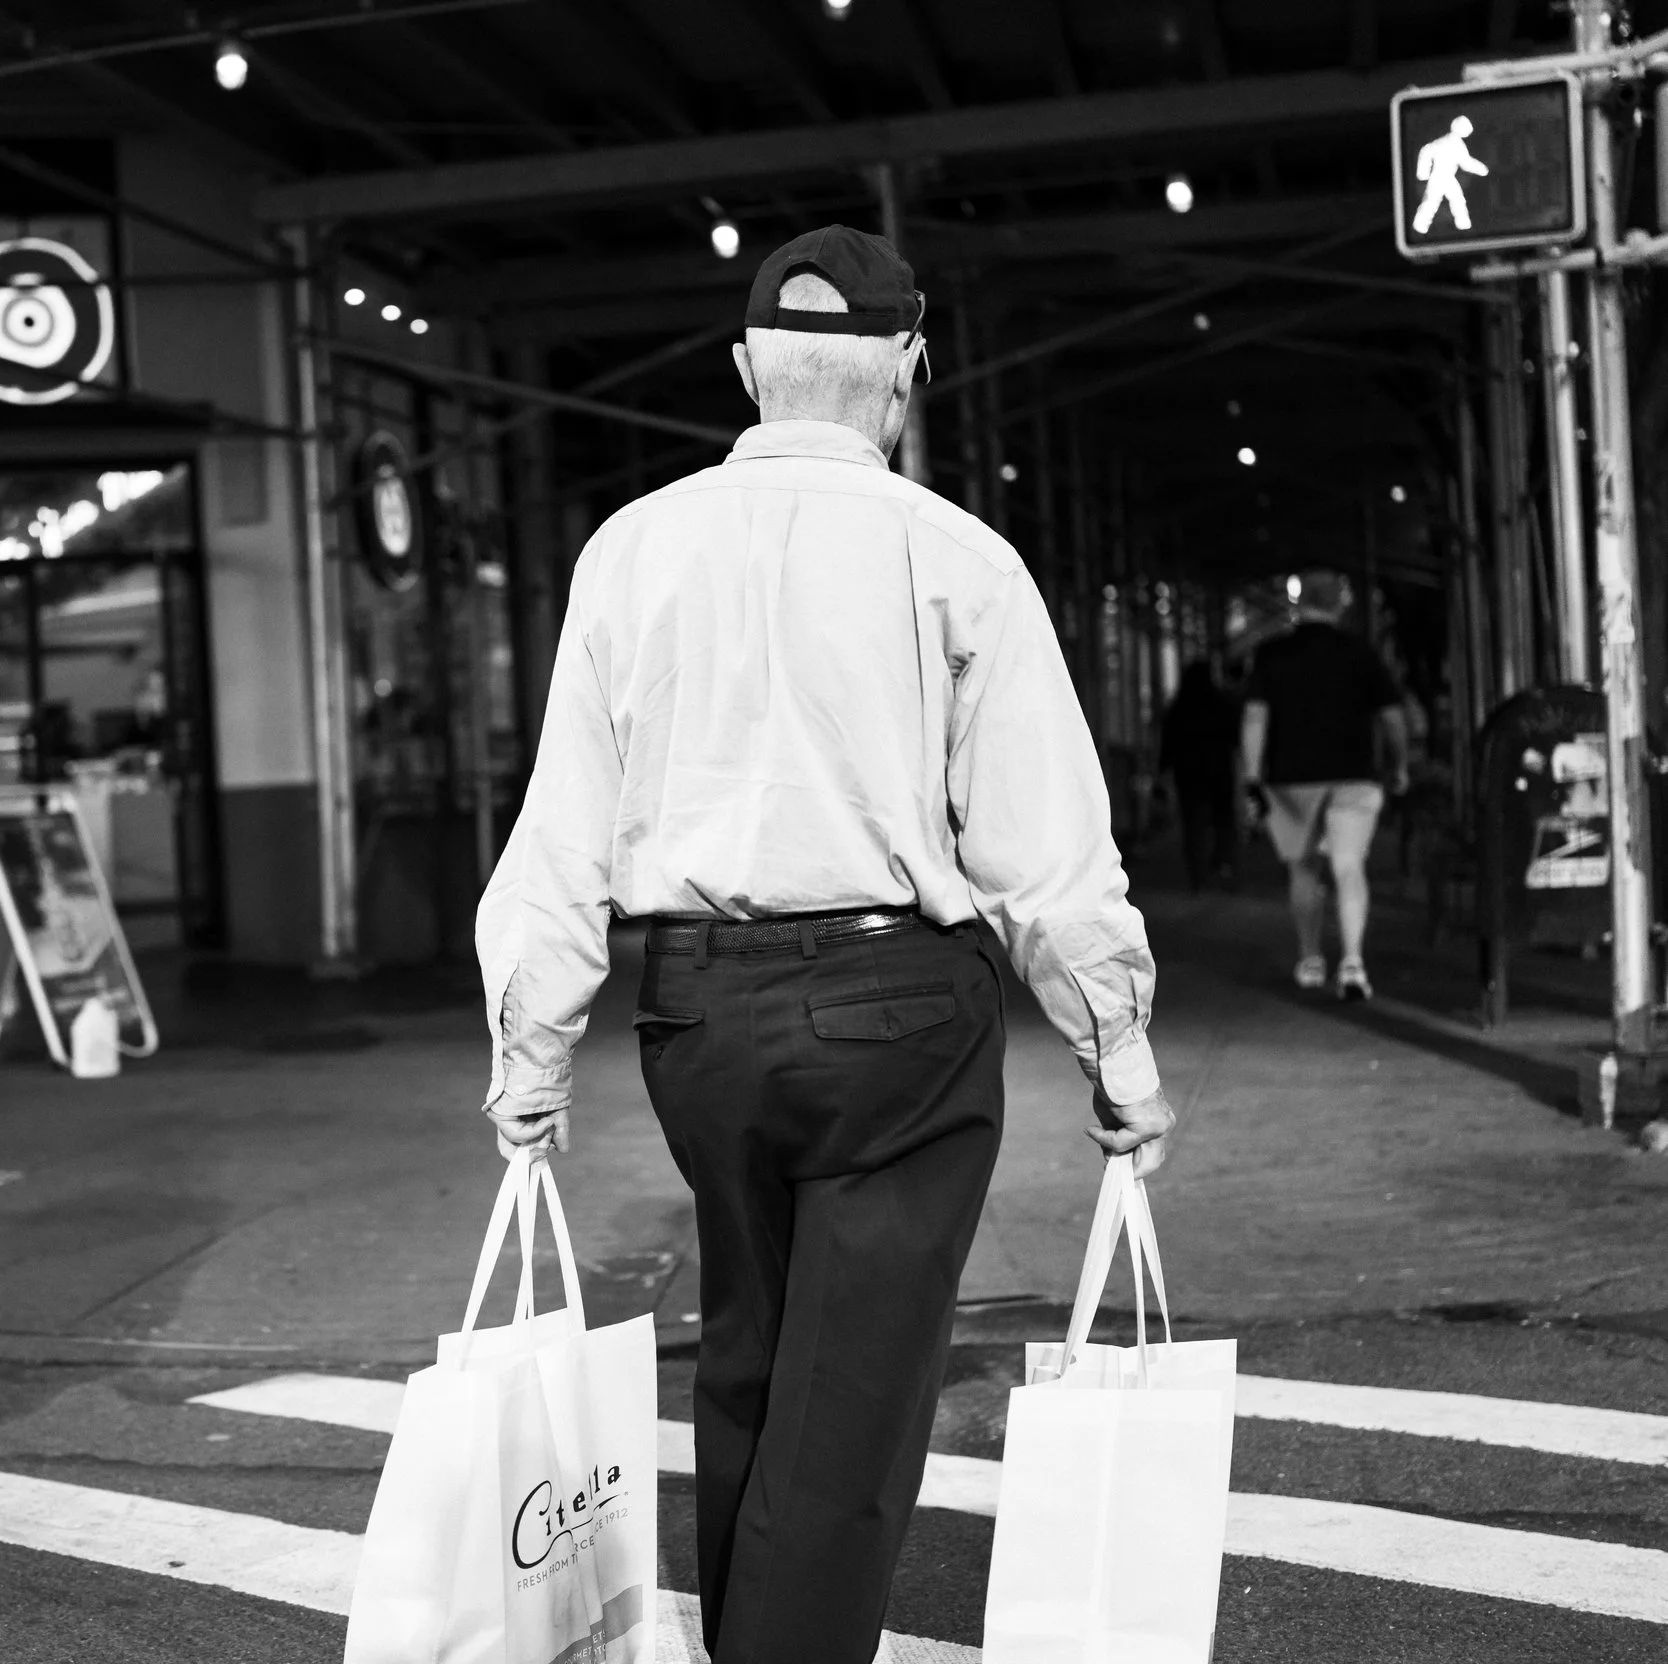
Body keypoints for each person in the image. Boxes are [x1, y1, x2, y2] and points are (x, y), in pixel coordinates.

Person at [474, 227, 1173, 1664]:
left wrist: (529, 1048)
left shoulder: (631, 550)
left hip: (695, 1016)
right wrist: (1116, 1050)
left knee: (752, 1348)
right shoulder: (957, 558)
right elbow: (1043, 844)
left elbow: (563, 827)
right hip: (896, 1015)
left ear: (746, 370)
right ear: (908, 367)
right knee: (851, 1394)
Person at [1240, 570, 1408, 1001]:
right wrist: (1400, 764)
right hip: (1354, 776)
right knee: (1349, 866)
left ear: (1300, 603)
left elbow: (1255, 718)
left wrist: (1253, 777)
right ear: (1340, 603)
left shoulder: (1272, 654)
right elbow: (1391, 717)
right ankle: (1352, 962)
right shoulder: (1361, 653)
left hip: (1291, 780)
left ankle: (1311, 958)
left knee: (1303, 868)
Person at [1159, 659, 1240, 891]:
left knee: (1193, 825)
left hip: (1189, 774)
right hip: (1219, 771)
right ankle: (1222, 863)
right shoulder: (1221, 703)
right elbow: (1234, 737)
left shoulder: (1179, 707)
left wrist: (1162, 769)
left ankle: (1197, 873)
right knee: (1223, 821)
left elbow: (1168, 743)